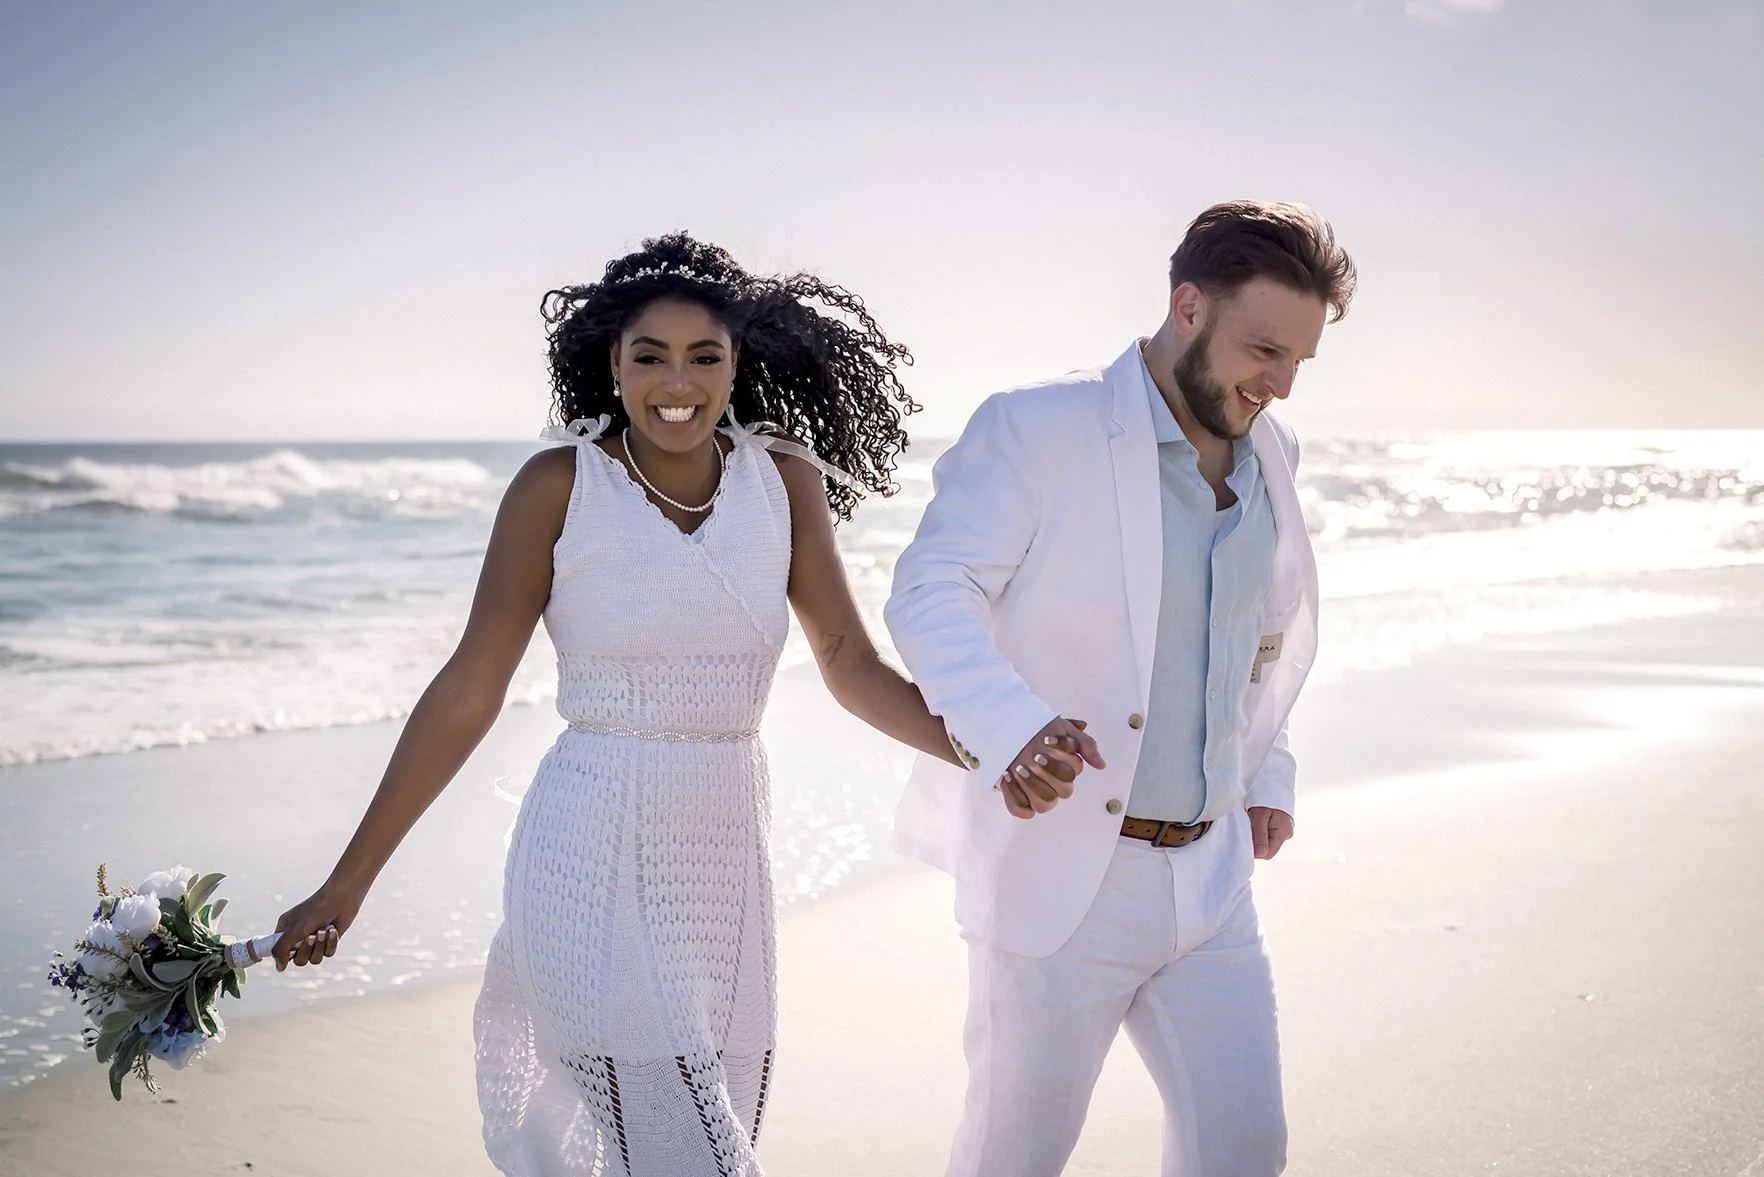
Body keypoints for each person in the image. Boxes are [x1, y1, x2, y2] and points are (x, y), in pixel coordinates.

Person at [271, 232, 1092, 1176]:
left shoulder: (781, 481)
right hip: (585, 854)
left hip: (724, 871)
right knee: (697, 1158)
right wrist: (349, 881)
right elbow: (468, 690)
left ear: (737, 364)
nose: (677, 382)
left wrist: (994, 746)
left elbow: (846, 659)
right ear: (611, 365)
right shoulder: (559, 487)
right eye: (649, 356)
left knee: (684, 1144)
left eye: (704, 356)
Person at [885, 201, 1357, 1176]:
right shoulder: (1039, 427)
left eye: (1300, 360)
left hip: (1213, 879)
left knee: (1245, 1152)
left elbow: (1251, 633)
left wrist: (1266, 771)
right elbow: (932, 589)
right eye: (1264, 349)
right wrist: (1009, 728)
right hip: (1066, 880)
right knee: (1013, 1160)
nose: (1280, 383)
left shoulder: (1275, 451)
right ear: (1189, 307)